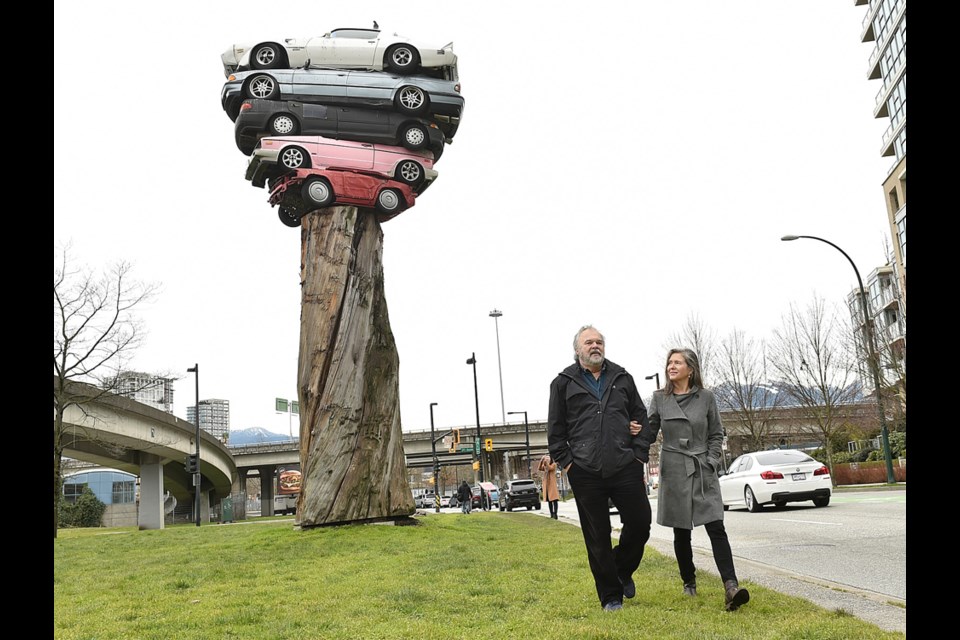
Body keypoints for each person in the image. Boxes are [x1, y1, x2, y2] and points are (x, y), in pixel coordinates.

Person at [632, 348, 750, 612]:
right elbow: (649, 433)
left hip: (702, 469)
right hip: (674, 468)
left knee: (716, 526)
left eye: (677, 362)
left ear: (691, 368)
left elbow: (716, 434)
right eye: (669, 363)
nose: (671, 366)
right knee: (681, 530)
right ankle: (689, 582)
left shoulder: (707, 397)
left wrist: (709, 462)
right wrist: (636, 431)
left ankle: (731, 586)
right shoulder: (659, 399)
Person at [547, 325, 652, 612]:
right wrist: (569, 464)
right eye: (589, 342)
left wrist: (639, 455)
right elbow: (555, 433)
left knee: (641, 523)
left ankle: (621, 569)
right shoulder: (562, 383)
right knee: (597, 535)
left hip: (624, 466)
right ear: (577, 350)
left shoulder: (622, 377)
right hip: (585, 470)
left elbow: (642, 419)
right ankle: (610, 596)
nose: (595, 346)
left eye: (600, 342)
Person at [538, 454, 560, 519]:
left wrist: (546, 463)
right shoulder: (545, 466)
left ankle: (555, 513)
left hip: (552, 485)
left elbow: (550, 468)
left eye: (548, 459)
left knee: (554, 500)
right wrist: (541, 460)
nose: (546, 460)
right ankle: (551, 514)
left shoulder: (554, 464)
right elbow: (539, 468)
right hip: (547, 485)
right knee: (549, 500)